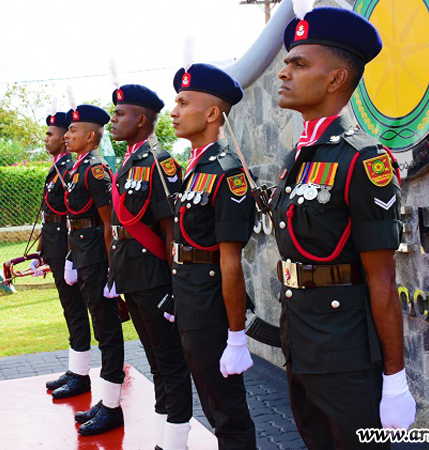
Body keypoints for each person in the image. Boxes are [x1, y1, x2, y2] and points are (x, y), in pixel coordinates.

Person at [272, 5, 416, 448]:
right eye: (286, 62)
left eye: (299, 64)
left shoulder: (363, 159)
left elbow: (383, 280)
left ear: (336, 78)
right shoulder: (298, 158)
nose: (283, 72)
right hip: (300, 339)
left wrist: (395, 378)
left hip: (347, 352)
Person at [169, 63, 257, 449]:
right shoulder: (195, 168)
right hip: (190, 297)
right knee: (211, 401)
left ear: (211, 114)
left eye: (183, 102)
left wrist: (236, 336)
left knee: (227, 409)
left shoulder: (226, 171)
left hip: (209, 304)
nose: (174, 111)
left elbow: (230, 259)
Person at [108, 84, 192, 450]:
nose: (112, 120)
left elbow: (172, 230)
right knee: (156, 362)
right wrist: (114, 278)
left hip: (155, 277)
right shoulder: (130, 161)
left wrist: (176, 285)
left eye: (119, 114)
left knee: (170, 363)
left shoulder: (159, 162)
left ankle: (175, 443)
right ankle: (164, 439)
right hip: (132, 276)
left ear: (141, 119)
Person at [62, 104, 125, 436]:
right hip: (84, 256)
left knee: (107, 330)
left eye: (73, 130)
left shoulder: (96, 170)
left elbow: (108, 223)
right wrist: (72, 255)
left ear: (90, 136)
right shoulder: (78, 168)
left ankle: (113, 406)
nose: (67, 135)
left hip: (98, 260)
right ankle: (106, 400)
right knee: (101, 328)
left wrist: (112, 270)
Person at [35, 111, 93, 398]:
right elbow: (49, 214)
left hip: (68, 247)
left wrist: (70, 253)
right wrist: (41, 250)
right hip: (55, 245)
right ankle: (75, 369)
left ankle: (81, 374)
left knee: (76, 308)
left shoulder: (69, 168)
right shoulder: (58, 166)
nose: (47, 139)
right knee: (69, 309)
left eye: (51, 134)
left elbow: (74, 216)